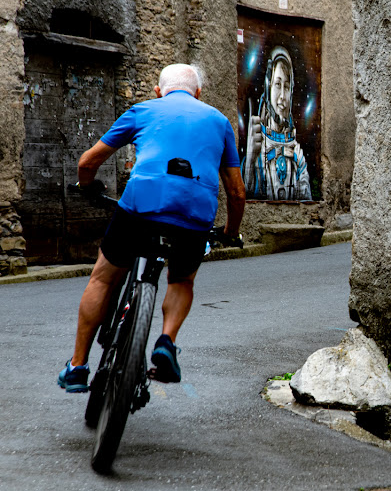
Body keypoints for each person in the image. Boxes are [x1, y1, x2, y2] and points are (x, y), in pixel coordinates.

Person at [58, 64, 246, 392]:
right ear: (198, 93)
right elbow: (236, 191)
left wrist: (87, 187)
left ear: (159, 91)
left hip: (141, 206)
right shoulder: (220, 122)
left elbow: (87, 163)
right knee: (182, 279)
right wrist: (230, 232)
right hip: (194, 214)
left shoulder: (143, 109)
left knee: (103, 277)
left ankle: (77, 366)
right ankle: (166, 342)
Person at [242, 46, 312, 200]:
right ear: (268, 87)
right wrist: (250, 158)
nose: (282, 97)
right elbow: (244, 196)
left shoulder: (297, 154)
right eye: (278, 85)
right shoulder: (256, 146)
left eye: (286, 87)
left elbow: (306, 201)